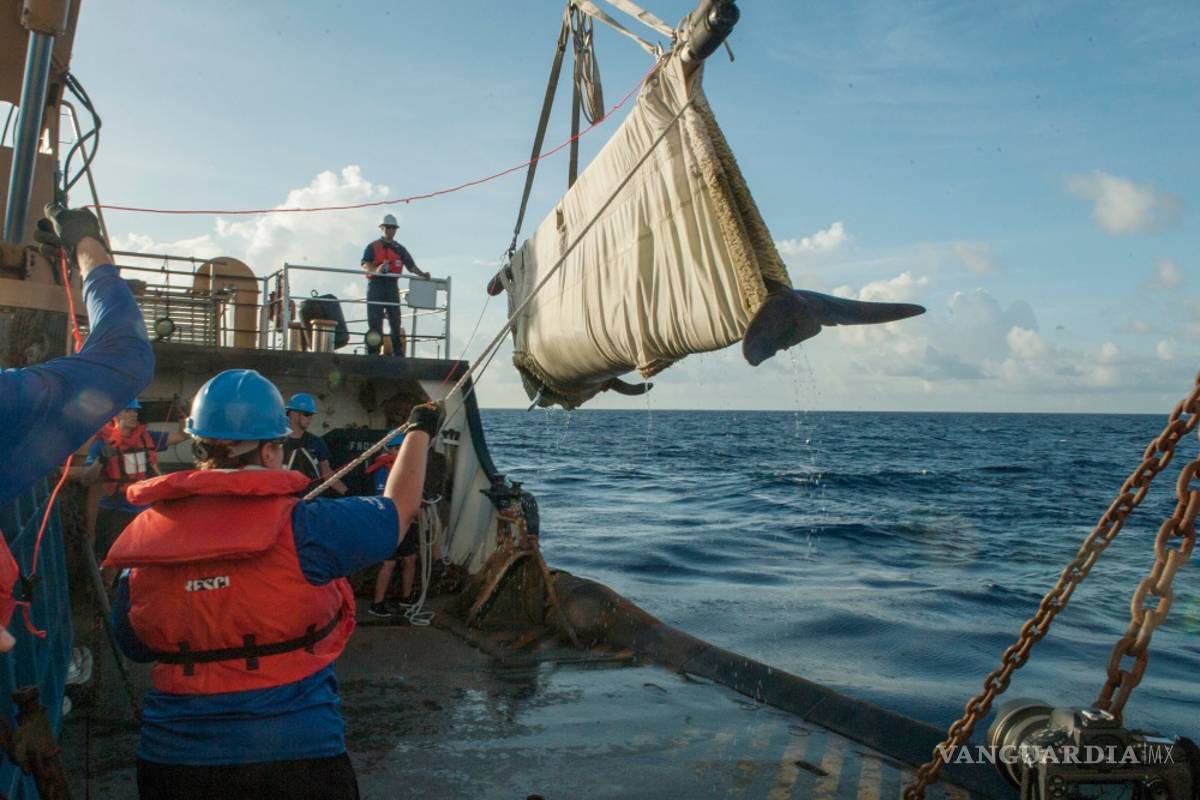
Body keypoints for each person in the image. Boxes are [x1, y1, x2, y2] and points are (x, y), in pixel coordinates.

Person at [104, 369, 439, 799]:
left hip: (173, 762)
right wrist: (419, 431)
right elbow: (399, 510)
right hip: (298, 754)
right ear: (268, 451)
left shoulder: (143, 542)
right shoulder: (308, 528)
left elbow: (132, 644)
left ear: (199, 445)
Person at [0, 204, 152, 648]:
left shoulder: (143, 438)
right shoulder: (96, 437)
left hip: (132, 509)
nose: (130, 417)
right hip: (112, 508)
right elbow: (126, 353)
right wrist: (85, 242)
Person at [84, 399, 188, 561]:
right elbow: (86, 479)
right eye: (128, 411)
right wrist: (101, 460)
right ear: (115, 415)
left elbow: (183, 435)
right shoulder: (102, 443)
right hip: (114, 512)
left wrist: (182, 416)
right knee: (111, 559)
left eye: (135, 411)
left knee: (143, 557)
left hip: (143, 510)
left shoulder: (147, 437)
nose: (133, 414)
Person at [360, 213, 429, 357]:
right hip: (376, 286)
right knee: (374, 321)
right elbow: (365, 263)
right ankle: (373, 352)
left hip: (392, 286)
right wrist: (376, 270)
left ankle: (397, 352)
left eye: (392, 228)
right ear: (382, 228)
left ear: (395, 230)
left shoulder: (400, 249)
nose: (390, 230)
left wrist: (423, 274)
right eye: (387, 227)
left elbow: (411, 266)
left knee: (395, 320)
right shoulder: (372, 247)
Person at [364, 432, 418, 618]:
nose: (402, 452)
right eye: (398, 448)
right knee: (389, 563)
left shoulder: (405, 469)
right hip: (388, 523)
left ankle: (406, 598)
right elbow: (383, 498)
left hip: (405, 520)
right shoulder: (383, 471)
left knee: (410, 558)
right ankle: (377, 603)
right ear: (390, 450)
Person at [282, 392, 348, 495]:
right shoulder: (276, 441)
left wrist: (348, 494)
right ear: (293, 413)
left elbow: (327, 473)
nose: (310, 418)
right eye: (307, 414)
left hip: (310, 499)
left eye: (311, 415)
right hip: (284, 498)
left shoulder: (316, 442)